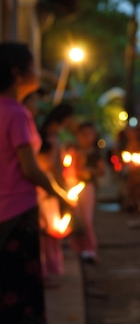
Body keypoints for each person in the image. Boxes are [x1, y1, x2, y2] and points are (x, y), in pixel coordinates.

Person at [0, 41, 69, 324]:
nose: (37, 71)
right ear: (17, 73)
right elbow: (29, 168)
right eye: (32, 65)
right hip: (17, 210)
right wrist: (58, 192)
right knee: (25, 289)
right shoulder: (16, 113)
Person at [37, 102, 75, 284]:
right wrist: (63, 192)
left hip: (39, 185)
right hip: (48, 186)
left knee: (43, 229)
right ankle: (47, 269)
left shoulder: (43, 136)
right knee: (50, 230)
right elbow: (56, 169)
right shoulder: (52, 140)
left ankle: (45, 268)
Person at [65, 121, 105, 264]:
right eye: (83, 134)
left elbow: (102, 171)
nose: (86, 138)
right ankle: (77, 248)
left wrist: (89, 171)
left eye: (90, 135)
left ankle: (90, 249)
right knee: (75, 219)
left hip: (87, 187)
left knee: (87, 220)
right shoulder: (72, 150)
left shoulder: (95, 153)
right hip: (72, 186)